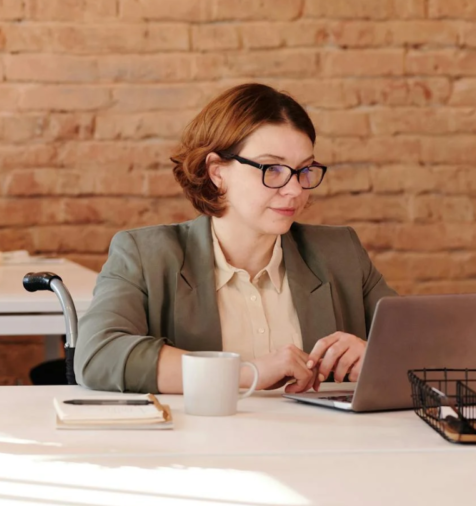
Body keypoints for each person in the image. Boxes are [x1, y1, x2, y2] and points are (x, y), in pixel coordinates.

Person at [75, 83, 397, 395]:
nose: (295, 189)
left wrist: (377, 356)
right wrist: (247, 374)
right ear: (217, 171)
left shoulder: (340, 253)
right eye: (272, 169)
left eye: (304, 170)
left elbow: (426, 345)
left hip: (323, 447)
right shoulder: (146, 256)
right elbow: (98, 355)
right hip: (196, 447)